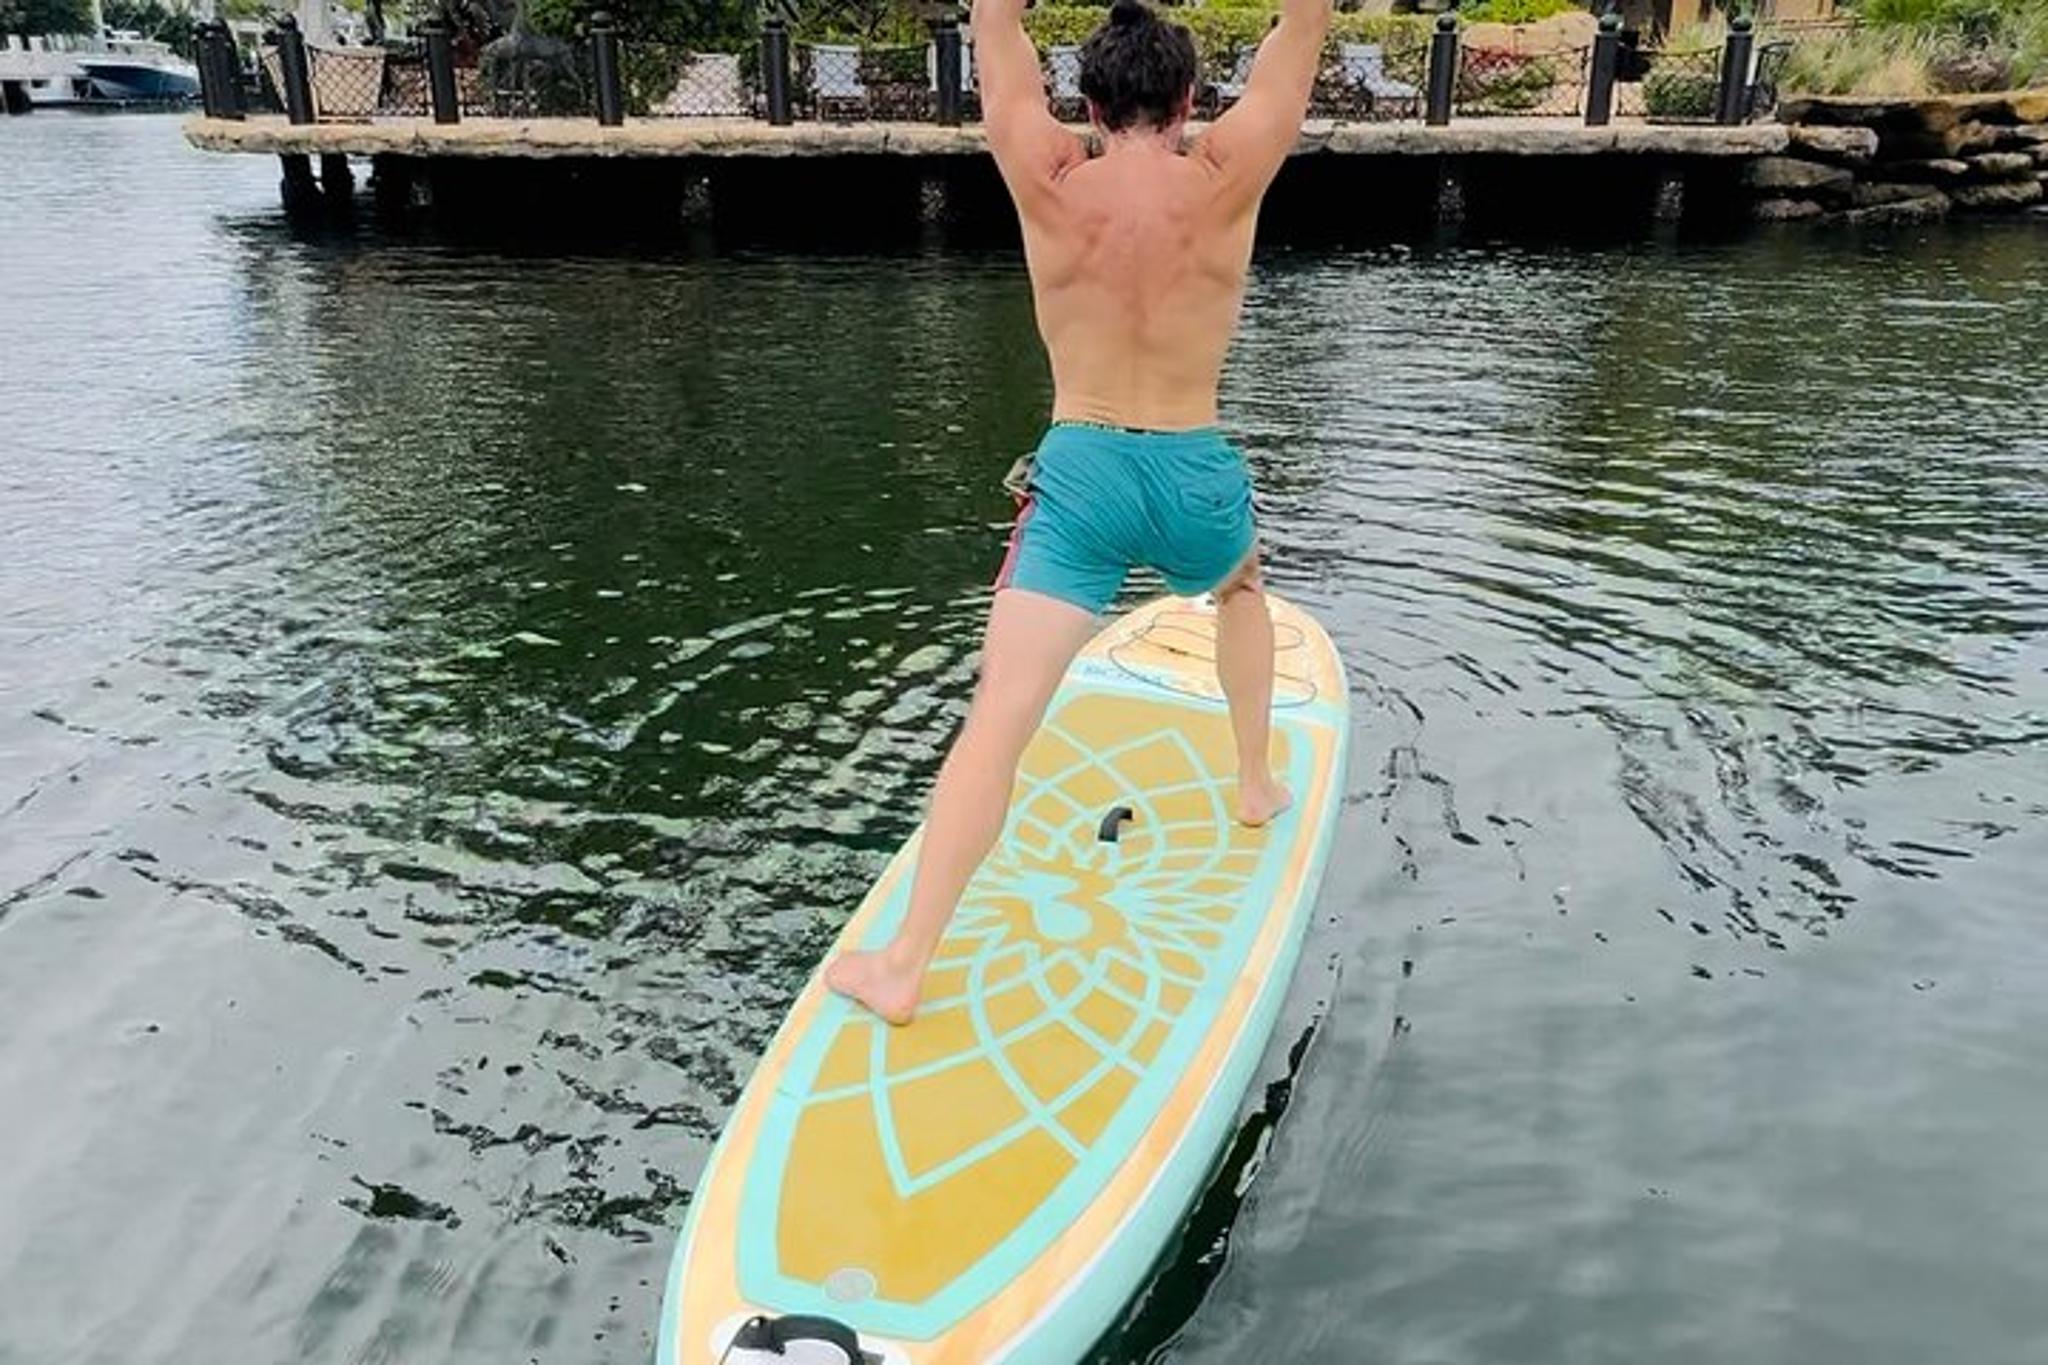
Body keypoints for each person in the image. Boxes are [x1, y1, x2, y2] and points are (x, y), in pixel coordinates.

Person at [826, 0, 1329, 1025]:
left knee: (995, 725)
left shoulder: (1046, 175)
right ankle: (1250, 783)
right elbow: (1303, 28)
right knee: (1239, 588)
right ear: (1189, 101)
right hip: (1193, 468)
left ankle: (906, 965)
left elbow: (995, 34)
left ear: (1088, 103)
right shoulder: (1225, 172)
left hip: (1083, 477)